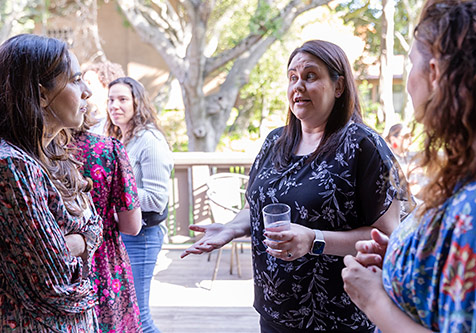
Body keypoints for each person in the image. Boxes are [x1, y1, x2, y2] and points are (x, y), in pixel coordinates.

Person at [181, 39, 412, 332]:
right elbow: (255, 205)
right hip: (274, 314)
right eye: (292, 77)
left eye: (310, 76)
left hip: (337, 319)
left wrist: (315, 239)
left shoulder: (364, 146)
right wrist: (231, 228)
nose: (298, 86)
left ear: (339, 87)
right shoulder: (275, 142)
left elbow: (387, 236)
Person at [342, 1, 476, 332]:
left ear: (434, 72)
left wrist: (373, 301)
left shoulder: (472, 206)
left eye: (411, 63)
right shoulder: (463, 170)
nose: (409, 77)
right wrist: (408, 258)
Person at [0, 34, 102, 331]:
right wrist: (84, 241)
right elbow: (55, 277)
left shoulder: (49, 154)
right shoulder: (7, 166)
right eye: (75, 80)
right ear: (41, 95)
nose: (87, 92)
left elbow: (93, 226)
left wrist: (79, 241)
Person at [106, 76, 174, 333]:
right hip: (124, 233)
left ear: (137, 102)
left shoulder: (149, 140)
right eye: (111, 100)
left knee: (139, 316)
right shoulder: (123, 138)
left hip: (143, 236)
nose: (115, 105)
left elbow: (157, 198)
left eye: (122, 99)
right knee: (126, 313)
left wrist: (116, 197)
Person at [73, 107, 144, 331]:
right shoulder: (106, 149)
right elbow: (132, 226)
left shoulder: (29, 152)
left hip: (48, 263)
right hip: (101, 263)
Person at [82, 60, 125, 135]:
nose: (85, 88)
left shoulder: (118, 121)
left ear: (106, 85)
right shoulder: (84, 120)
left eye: (89, 83)